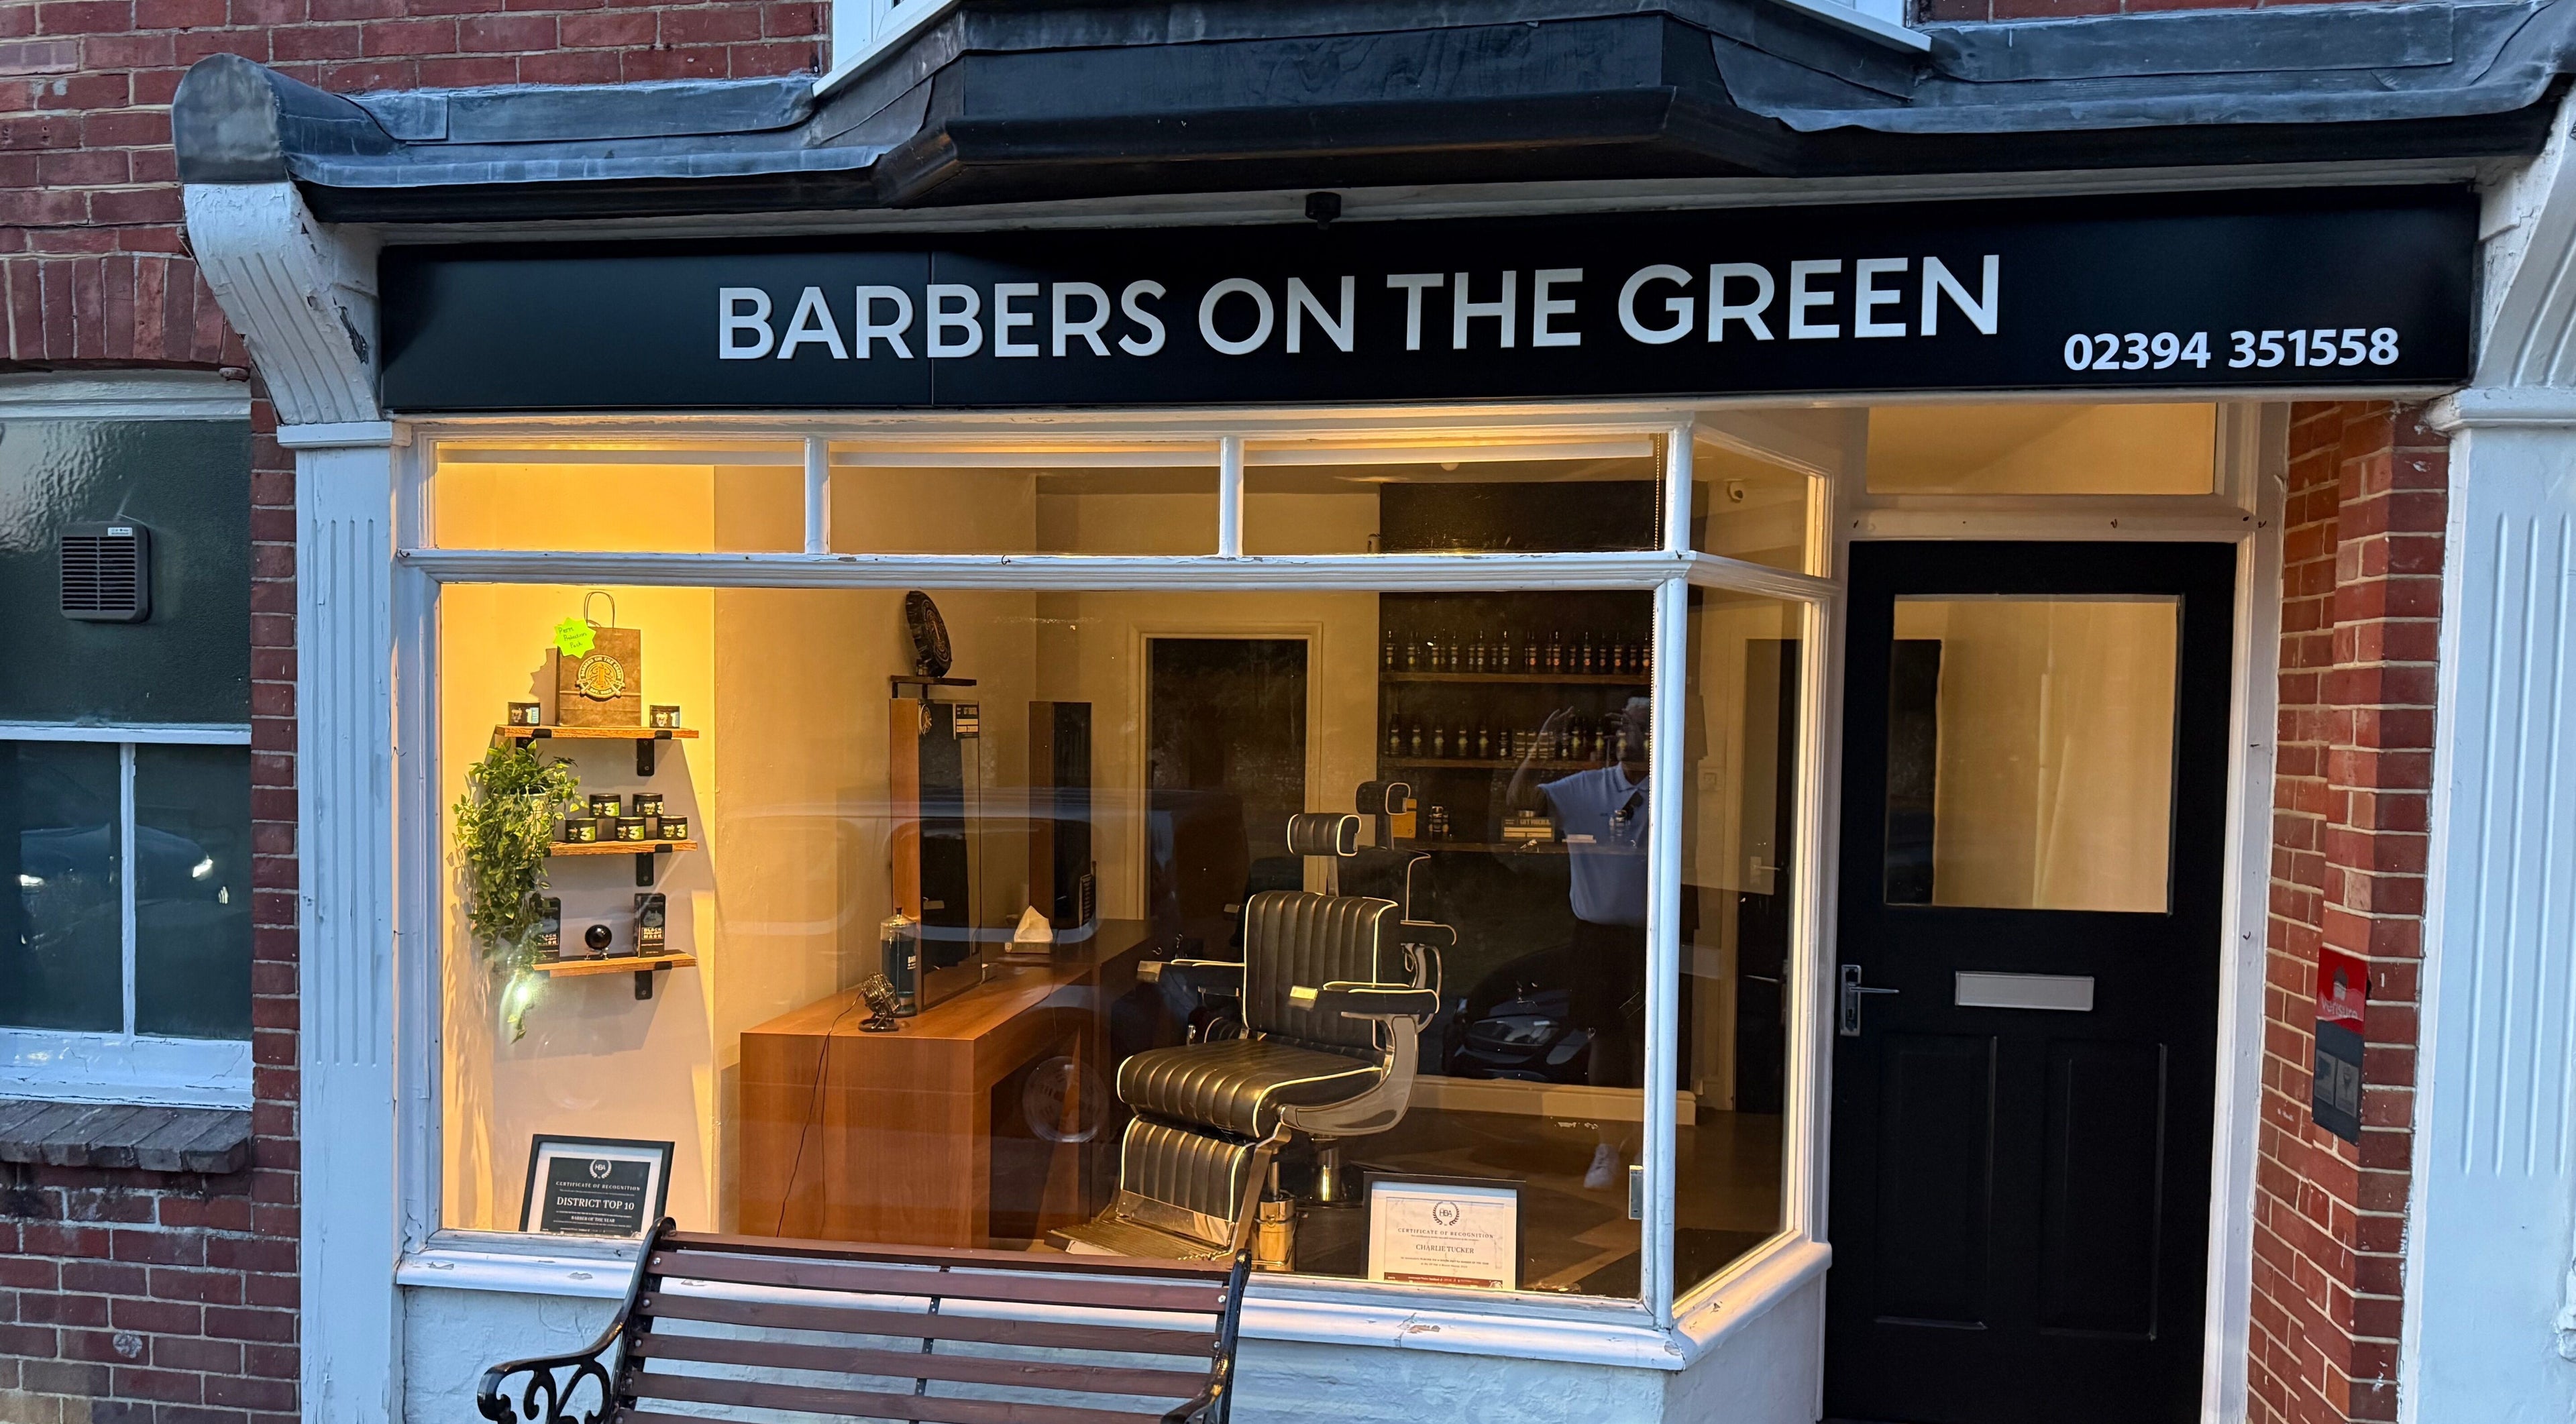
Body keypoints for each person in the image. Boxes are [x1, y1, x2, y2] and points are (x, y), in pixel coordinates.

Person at [1507, 697, 1651, 1191]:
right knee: (1605, 1039)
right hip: (1599, 934)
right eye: (1628, 723)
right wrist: (1543, 744)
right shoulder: (1588, 787)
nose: (1632, 734)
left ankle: (1653, 1146)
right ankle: (1608, 1147)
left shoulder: (1676, 786)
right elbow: (1521, 803)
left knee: (1654, 1041)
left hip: (1657, 935)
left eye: (1645, 725)